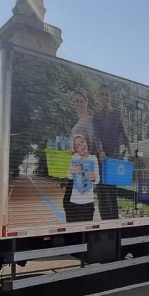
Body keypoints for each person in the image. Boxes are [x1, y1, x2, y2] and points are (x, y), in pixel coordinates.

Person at [62, 90, 101, 222]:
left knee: (71, 201)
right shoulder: (78, 121)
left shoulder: (89, 120)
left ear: (86, 103)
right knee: (69, 202)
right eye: (76, 101)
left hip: (84, 164)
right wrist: (73, 150)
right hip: (77, 162)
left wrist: (83, 151)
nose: (79, 103)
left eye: (81, 101)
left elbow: (92, 140)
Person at [93, 84, 130, 220]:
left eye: (107, 94)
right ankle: (105, 220)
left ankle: (114, 220)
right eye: (102, 94)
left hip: (113, 158)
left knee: (111, 190)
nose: (105, 97)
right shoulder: (96, 115)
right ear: (99, 97)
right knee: (102, 191)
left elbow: (125, 134)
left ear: (110, 97)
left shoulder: (117, 113)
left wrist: (128, 151)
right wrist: (100, 150)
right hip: (101, 158)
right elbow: (96, 135)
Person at [66, 135, 98, 222]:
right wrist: (72, 172)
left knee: (86, 231)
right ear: (76, 150)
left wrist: (94, 177)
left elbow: (97, 180)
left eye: (82, 142)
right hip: (74, 201)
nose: (81, 146)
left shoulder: (93, 158)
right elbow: (68, 176)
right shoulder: (75, 157)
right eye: (78, 146)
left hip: (88, 202)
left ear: (87, 142)